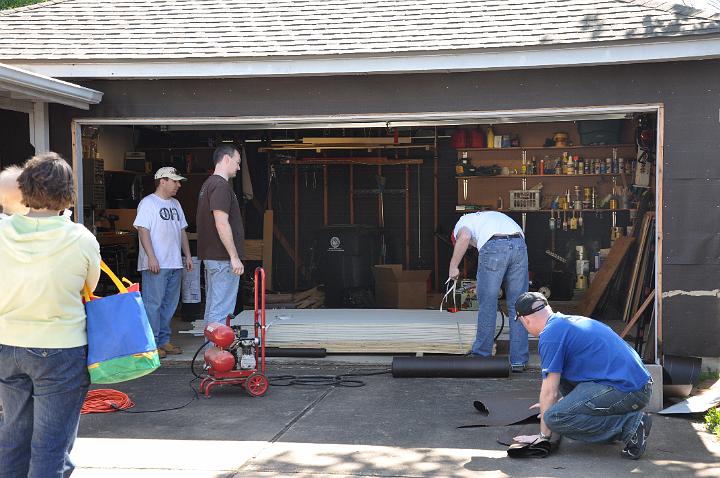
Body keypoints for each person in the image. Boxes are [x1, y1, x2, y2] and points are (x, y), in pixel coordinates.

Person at [0, 152, 101, 477]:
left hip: (7, 345)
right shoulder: (80, 238)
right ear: (68, 192)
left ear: (24, 188)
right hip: (60, 349)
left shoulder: (2, 231)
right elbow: (90, 285)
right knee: (50, 448)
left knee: (12, 439)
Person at [513, 291, 653, 460]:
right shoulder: (565, 322)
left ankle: (631, 426)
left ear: (525, 320)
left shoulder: (551, 336)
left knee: (555, 417)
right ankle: (613, 423)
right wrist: (560, 403)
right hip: (632, 384)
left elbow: (549, 391)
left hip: (630, 390)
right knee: (561, 375)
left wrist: (543, 436)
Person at [448, 211, 529, 370]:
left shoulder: (461, 223)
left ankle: (481, 356)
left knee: (488, 304)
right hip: (519, 245)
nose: (470, 248)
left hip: (494, 245)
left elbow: (464, 237)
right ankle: (518, 361)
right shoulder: (484, 218)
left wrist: (453, 266)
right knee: (518, 306)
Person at [133, 167, 193, 359]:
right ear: (162, 181)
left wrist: (187, 255)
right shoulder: (148, 203)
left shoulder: (175, 204)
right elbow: (143, 231)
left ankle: (163, 341)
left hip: (174, 262)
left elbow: (182, 231)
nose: (178, 185)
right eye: (175, 181)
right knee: (154, 304)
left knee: (169, 304)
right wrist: (151, 257)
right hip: (156, 263)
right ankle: (152, 344)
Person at [197, 144, 245, 325]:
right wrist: (234, 257)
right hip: (222, 259)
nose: (238, 167)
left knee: (213, 306)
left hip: (213, 257)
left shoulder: (208, 185)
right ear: (226, 159)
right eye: (237, 162)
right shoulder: (221, 186)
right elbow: (221, 222)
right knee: (221, 309)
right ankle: (215, 343)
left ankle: (210, 342)